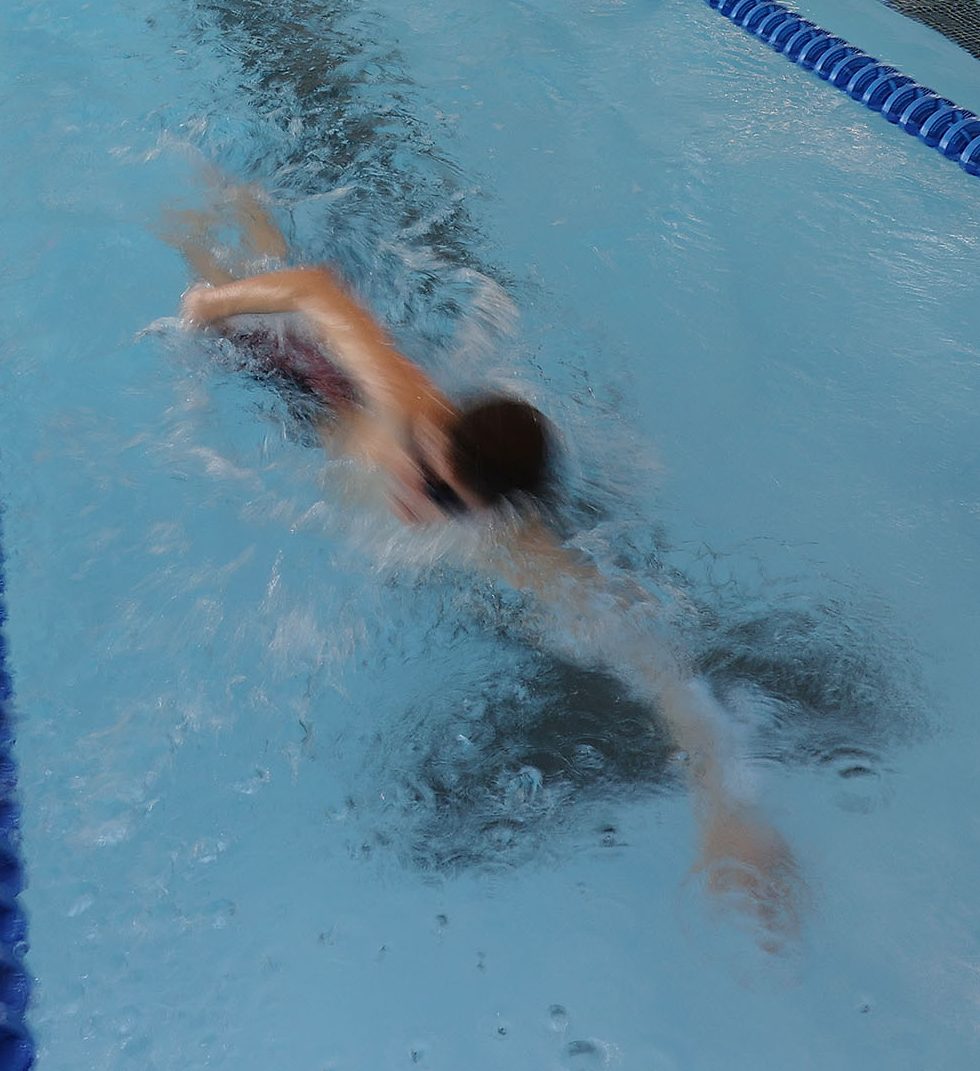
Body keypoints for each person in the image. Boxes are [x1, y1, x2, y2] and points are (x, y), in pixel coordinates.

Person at [167, 178, 803, 942]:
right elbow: (314, 289)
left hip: (322, 435)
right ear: (440, 436)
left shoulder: (514, 549)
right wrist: (209, 305)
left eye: (449, 502)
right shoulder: (405, 403)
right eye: (430, 474)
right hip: (314, 392)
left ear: (489, 513)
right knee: (216, 255)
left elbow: (660, 664)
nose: (419, 499)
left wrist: (728, 812)